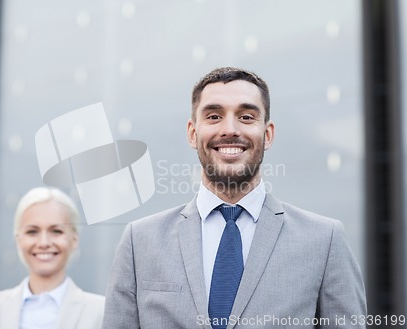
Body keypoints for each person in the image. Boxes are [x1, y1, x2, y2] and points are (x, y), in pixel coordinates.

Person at [102, 67, 366, 328]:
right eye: (214, 116)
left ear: (268, 134)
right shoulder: (140, 242)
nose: (230, 129)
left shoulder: (324, 241)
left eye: (247, 117)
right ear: (193, 133)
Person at [0, 187, 104, 329]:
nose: (43, 243)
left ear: (74, 240)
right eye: (32, 231)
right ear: (18, 240)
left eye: (56, 231)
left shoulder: (102, 312)